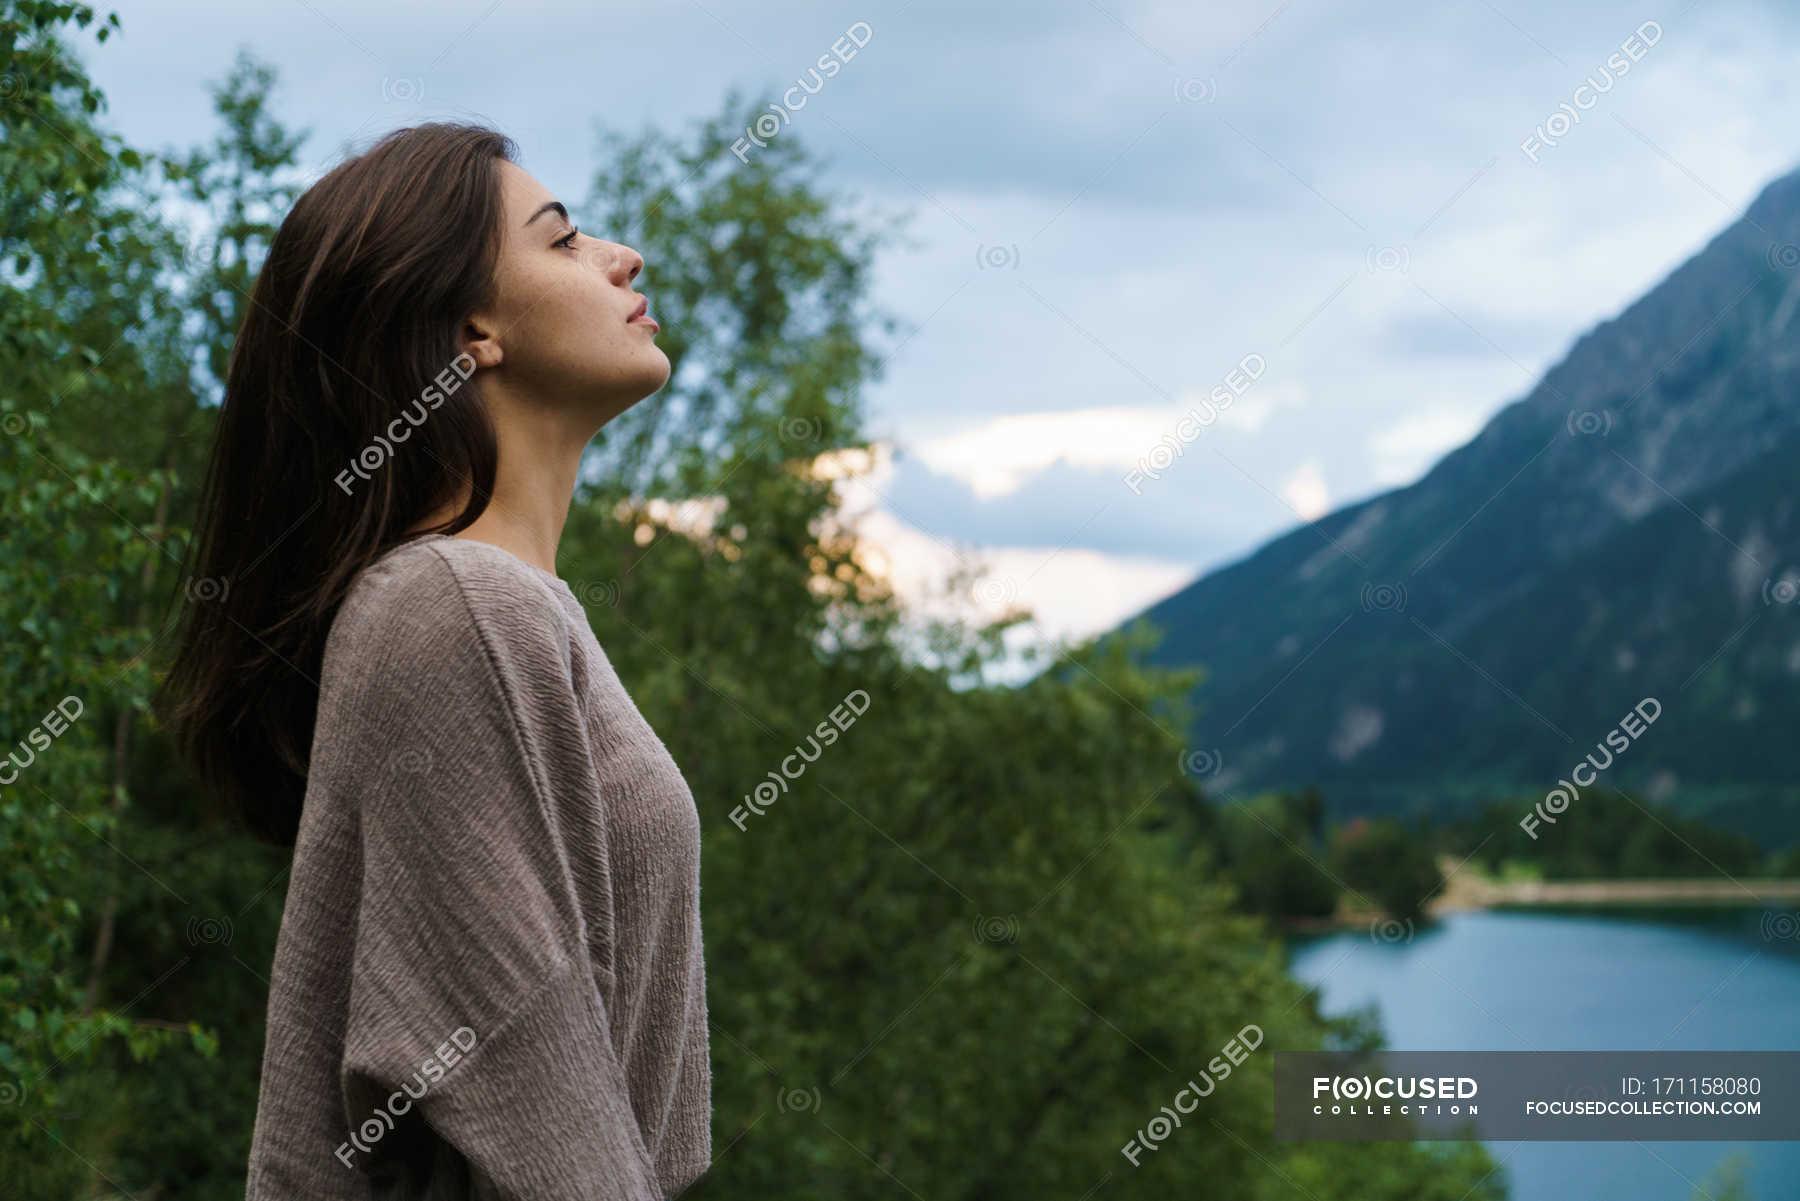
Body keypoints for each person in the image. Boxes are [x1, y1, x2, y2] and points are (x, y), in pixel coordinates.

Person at [154, 121, 711, 1200]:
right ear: (470, 331)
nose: (622, 256)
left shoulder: (502, 608)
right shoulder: (451, 599)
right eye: (562, 242)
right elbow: (520, 1060)